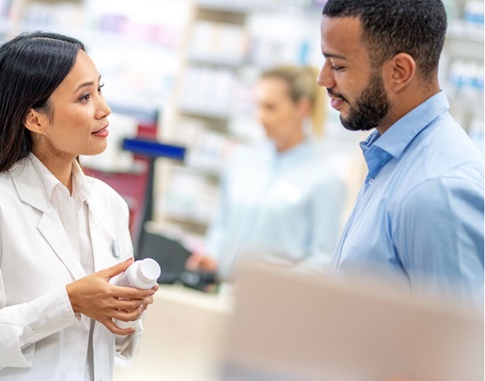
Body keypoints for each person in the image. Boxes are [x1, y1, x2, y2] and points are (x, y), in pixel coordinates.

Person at [0, 31, 157, 380]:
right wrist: (68, 303)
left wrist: (125, 308)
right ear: (35, 119)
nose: (104, 109)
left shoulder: (110, 205)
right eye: (84, 97)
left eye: (100, 90)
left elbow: (110, 348)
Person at [318, 0, 484, 304]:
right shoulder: (393, 160)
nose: (323, 80)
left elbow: (460, 345)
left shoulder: (438, 189)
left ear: (399, 71)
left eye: (338, 66)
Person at [186, 65, 347, 282]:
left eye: (270, 108)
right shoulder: (240, 161)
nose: (260, 117)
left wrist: (276, 283)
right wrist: (213, 257)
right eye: (257, 106)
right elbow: (222, 226)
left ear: (302, 108)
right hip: (222, 292)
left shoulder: (325, 179)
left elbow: (323, 260)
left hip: (276, 305)